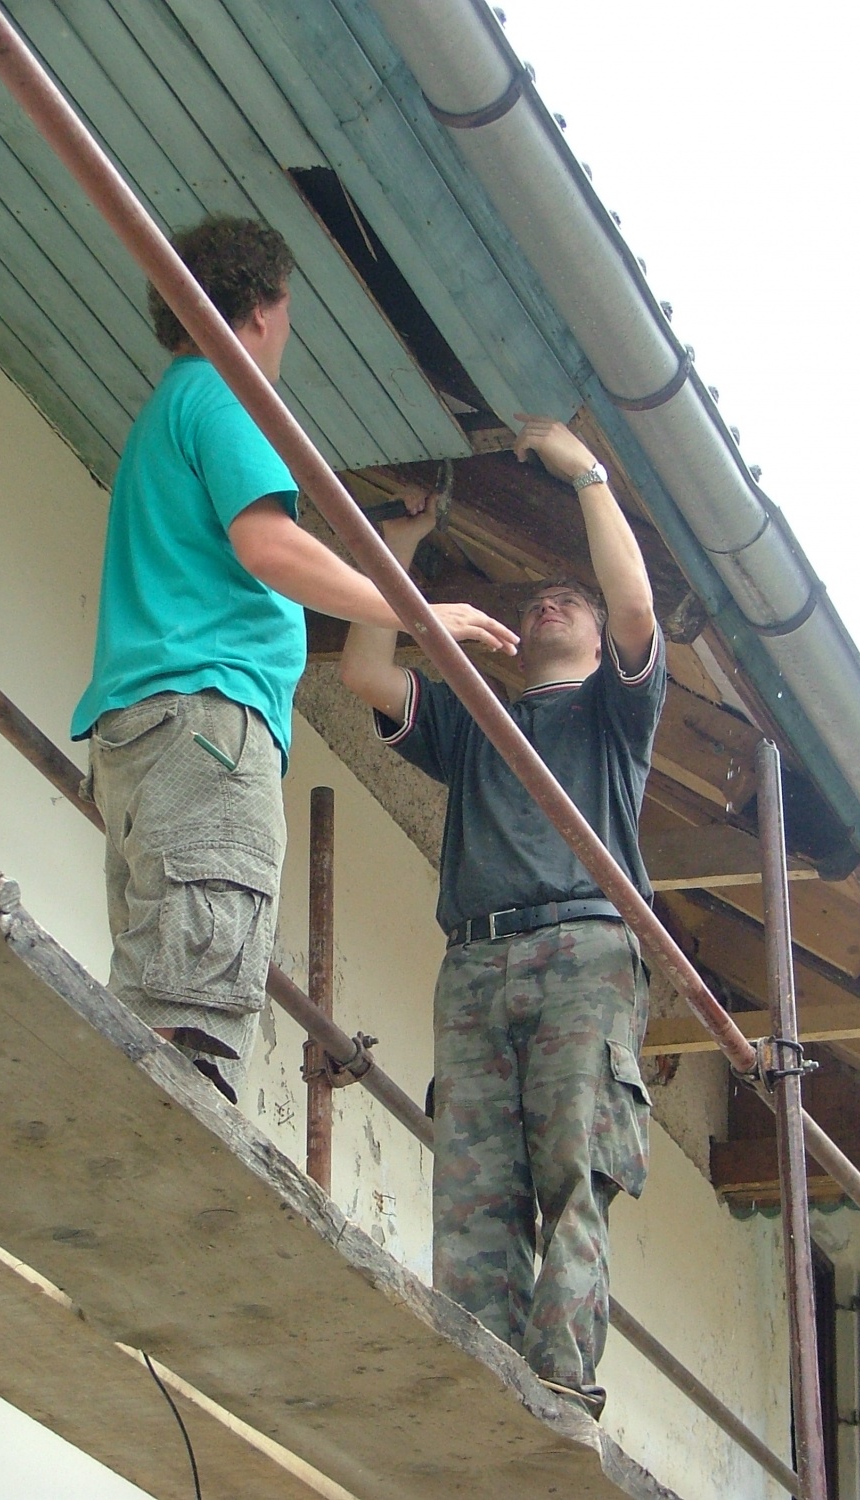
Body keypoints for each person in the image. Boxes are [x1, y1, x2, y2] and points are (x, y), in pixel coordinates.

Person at [71, 216, 516, 1103]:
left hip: (145, 727)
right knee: (189, 1005)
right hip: (206, 722)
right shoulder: (224, 392)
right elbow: (269, 548)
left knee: (162, 972)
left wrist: (390, 547)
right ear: (266, 310)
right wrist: (415, 609)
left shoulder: (172, 406)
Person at [339, 416, 666, 1417]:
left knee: (575, 1169)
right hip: (476, 962)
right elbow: (364, 671)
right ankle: (481, 1382)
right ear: (514, 641)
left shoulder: (613, 715)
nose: (549, 598)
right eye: (534, 600)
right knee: (476, 1187)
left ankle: (560, 1383)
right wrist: (398, 544)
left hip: (583, 948)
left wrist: (585, 477)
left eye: (569, 597)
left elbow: (635, 602)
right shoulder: (477, 717)